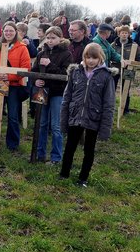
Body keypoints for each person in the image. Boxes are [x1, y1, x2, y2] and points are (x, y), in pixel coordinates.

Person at [59, 43, 115, 187]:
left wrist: (105, 128)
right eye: (88, 57)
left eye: (94, 58)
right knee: (70, 146)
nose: (90, 61)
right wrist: (64, 119)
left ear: (100, 58)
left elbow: (109, 104)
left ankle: (83, 178)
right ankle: (64, 174)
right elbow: (67, 97)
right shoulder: (76, 72)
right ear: (84, 57)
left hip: (93, 118)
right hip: (75, 114)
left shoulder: (106, 76)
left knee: (89, 149)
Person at [0, 21, 31, 151]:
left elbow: (25, 68)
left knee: (13, 115)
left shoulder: (21, 48)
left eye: (11, 31)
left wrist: (9, 77)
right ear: (2, 32)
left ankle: (13, 144)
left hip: (14, 86)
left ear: (16, 32)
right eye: (6, 31)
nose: (8, 33)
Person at [31, 26, 72, 164]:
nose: (50, 40)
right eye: (48, 38)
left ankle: (56, 157)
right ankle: (40, 153)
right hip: (42, 91)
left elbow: (65, 74)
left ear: (60, 38)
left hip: (57, 92)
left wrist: (50, 64)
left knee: (56, 126)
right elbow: (34, 71)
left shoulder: (66, 54)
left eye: (53, 38)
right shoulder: (41, 53)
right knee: (41, 124)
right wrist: (35, 80)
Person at [111, 25, 139, 115]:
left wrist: (132, 62)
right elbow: (111, 55)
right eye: (122, 33)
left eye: (126, 33)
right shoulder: (113, 45)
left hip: (129, 70)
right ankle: (110, 107)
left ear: (129, 34)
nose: (124, 34)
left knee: (126, 89)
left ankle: (125, 109)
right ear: (119, 34)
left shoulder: (134, 46)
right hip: (115, 69)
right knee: (111, 88)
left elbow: (138, 58)